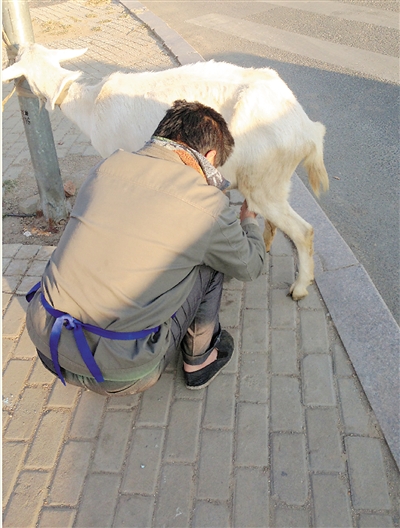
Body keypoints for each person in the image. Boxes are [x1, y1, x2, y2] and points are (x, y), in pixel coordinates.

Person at [26, 100, 266, 395]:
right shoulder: (208, 204)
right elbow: (250, 266)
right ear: (210, 155)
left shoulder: (107, 165)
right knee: (213, 260)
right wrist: (249, 221)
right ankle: (199, 360)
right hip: (121, 371)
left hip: (46, 341)